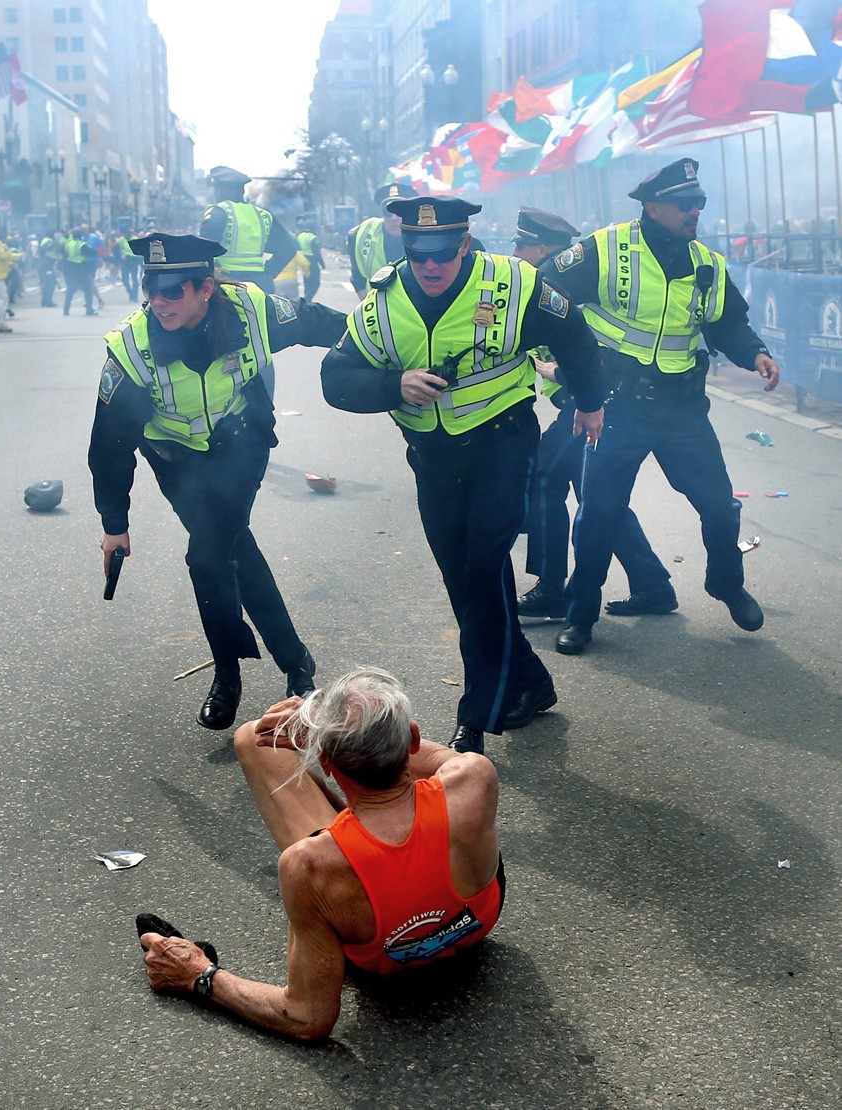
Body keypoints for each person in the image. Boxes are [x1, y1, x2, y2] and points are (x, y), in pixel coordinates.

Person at [321, 197, 605, 755]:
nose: (430, 266)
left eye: (443, 254)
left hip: (504, 442)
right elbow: (335, 379)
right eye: (418, 254)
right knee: (468, 580)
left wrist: (590, 401)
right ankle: (531, 682)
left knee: (481, 568)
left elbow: (573, 335)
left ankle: (477, 716)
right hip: (434, 459)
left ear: (466, 243)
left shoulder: (513, 283)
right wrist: (392, 386)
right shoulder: (380, 302)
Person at [137, 666, 503, 1041]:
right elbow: (430, 758)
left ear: (325, 763)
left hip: (387, 960)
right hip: (474, 924)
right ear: (412, 738)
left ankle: (359, 820)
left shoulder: (307, 866)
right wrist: (339, 731)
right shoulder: (474, 776)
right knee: (260, 737)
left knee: (253, 737)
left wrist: (198, 975)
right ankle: (367, 813)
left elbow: (306, 1017)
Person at [88, 233, 347, 729]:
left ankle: (227, 675)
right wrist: (114, 523)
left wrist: (380, 354)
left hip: (239, 443)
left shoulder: (251, 310)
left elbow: (321, 322)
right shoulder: (132, 348)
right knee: (235, 552)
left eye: (173, 291)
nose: (158, 302)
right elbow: (109, 443)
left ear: (206, 288)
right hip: (176, 459)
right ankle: (297, 664)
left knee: (207, 556)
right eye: (151, 288)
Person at [537, 157, 781, 656]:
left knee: (719, 506)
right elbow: (545, 297)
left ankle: (726, 584)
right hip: (616, 409)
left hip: (682, 412)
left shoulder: (707, 264)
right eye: (685, 203)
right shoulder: (605, 249)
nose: (695, 211)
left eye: (700, 203)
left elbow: (728, 322)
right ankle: (581, 616)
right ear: (652, 206)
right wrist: (562, 369)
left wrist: (755, 352)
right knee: (599, 515)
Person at [512, 208, 675, 622]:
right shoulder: (540, 289)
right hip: (584, 406)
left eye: (522, 244)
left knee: (545, 478)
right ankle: (653, 584)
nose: (515, 251)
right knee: (598, 499)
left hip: (591, 406)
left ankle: (551, 587)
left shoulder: (564, 295)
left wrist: (557, 373)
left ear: (544, 248)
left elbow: (595, 357)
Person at [199, 165, 297, 294]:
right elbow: (289, 248)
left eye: (216, 188)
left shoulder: (219, 211)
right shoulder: (263, 215)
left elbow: (202, 250)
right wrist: (268, 274)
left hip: (226, 285)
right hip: (259, 286)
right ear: (242, 191)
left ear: (220, 189)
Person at [347, 182, 419, 299]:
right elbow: (357, 277)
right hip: (377, 307)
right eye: (388, 212)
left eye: (400, 212)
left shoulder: (424, 236)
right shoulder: (361, 234)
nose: (394, 218)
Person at [61, 227, 97, 316]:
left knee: (70, 290)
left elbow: (64, 256)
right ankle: (89, 309)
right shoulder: (82, 245)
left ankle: (66, 310)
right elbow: (92, 253)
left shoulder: (68, 244)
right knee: (88, 289)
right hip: (81, 268)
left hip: (70, 268)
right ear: (81, 235)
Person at [296, 219, 325, 302]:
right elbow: (317, 252)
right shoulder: (313, 237)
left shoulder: (300, 236)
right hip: (312, 262)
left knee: (307, 283)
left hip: (303, 261)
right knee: (316, 283)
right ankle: (306, 300)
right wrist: (322, 264)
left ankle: (307, 301)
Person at [114, 229, 141, 302]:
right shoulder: (120, 240)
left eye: (129, 233)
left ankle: (135, 295)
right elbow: (115, 250)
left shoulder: (135, 239)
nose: (128, 234)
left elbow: (140, 249)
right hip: (125, 260)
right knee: (124, 279)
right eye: (127, 233)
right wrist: (120, 256)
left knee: (134, 278)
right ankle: (130, 292)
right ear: (124, 233)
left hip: (133, 259)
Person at [37, 228, 59, 307]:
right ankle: (48, 301)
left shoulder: (44, 240)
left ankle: (45, 301)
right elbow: (47, 251)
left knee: (47, 283)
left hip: (44, 264)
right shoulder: (49, 241)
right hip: (47, 264)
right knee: (50, 283)